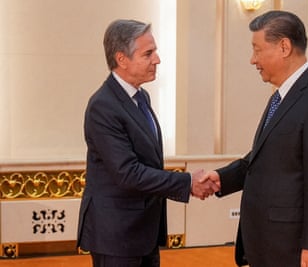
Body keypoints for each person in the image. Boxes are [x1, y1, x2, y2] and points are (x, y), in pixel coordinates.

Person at [202, 11, 308, 267]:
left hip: (296, 249)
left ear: (284, 47)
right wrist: (223, 178)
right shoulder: (281, 97)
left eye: (257, 50)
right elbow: (265, 157)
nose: (252, 60)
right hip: (270, 244)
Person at [77, 19, 219, 267]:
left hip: (144, 232)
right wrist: (187, 183)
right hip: (116, 236)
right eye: (148, 53)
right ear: (122, 59)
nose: (157, 60)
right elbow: (127, 173)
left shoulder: (142, 98)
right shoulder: (103, 106)